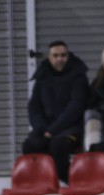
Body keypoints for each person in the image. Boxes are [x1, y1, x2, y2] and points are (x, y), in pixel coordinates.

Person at [23, 40, 89, 183]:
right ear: (49, 57)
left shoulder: (78, 75)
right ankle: (40, 183)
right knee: (30, 145)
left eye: (63, 55)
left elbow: (75, 108)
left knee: (58, 146)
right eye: (56, 55)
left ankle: (69, 182)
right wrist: (40, 128)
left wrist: (52, 131)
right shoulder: (42, 76)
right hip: (45, 127)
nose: (60, 59)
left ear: (68, 56)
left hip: (70, 128)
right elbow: (34, 106)